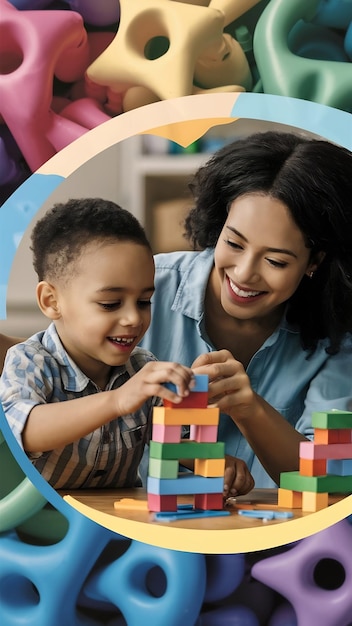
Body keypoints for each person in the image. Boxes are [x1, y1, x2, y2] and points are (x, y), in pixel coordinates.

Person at [139, 130, 352, 489]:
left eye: (275, 261)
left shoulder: (337, 336)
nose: (243, 274)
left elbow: (331, 481)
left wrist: (249, 408)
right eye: (234, 243)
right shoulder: (146, 289)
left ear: (315, 261)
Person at [0, 197, 253, 495]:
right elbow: (24, 430)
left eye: (144, 301)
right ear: (51, 301)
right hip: (46, 525)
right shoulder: (29, 361)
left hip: (117, 523)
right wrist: (117, 401)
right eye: (110, 304)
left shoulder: (143, 368)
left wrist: (216, 463)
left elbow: (169, 442)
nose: (134, 318)